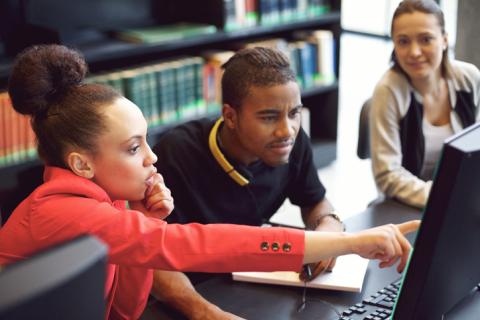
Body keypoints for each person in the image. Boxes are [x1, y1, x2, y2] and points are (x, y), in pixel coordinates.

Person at [0, 44, 419, 320]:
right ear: (82, 164)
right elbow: (197, 244)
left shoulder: (104, 206)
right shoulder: (62, 211)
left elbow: (123, 311)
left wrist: (145, 218)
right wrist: (350, 242)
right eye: (133, 148)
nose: (152, 156)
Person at [150, 47, 355, 319]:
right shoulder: (176, 153)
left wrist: (329, 226)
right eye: (269, 117)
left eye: (294, 113)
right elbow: (153, 258)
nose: (287, 130)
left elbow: (314, 200)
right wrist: (205, 313)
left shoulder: (292, 142)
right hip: (191, 292)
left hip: (247, 279)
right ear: (230, 116)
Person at [370, 0, 480, 208]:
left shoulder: (469, 78)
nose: (414, 52)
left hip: (463, 199)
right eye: (403, 41)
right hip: (406, 206)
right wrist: (443, 196)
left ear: (445, 40)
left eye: (426, 39)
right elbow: (388, 175)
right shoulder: (388, 91)